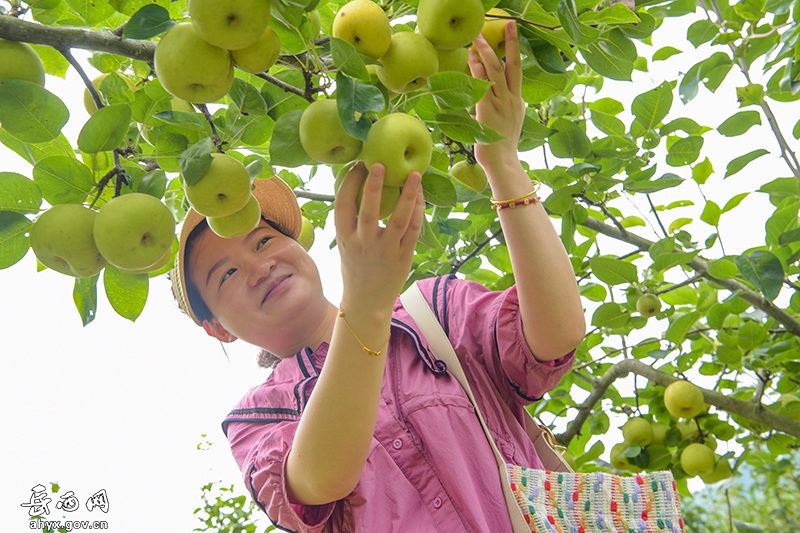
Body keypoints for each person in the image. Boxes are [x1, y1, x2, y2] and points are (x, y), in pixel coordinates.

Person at [171, 21, 586, 533]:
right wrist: (365, 304)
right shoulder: (259, 415)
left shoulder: (431, 317)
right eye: (227, 273)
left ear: (298, 247)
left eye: (263, 241)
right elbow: (318, 482)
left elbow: (555, 336)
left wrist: (501, 159)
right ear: (218, 328)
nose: (260, 266)